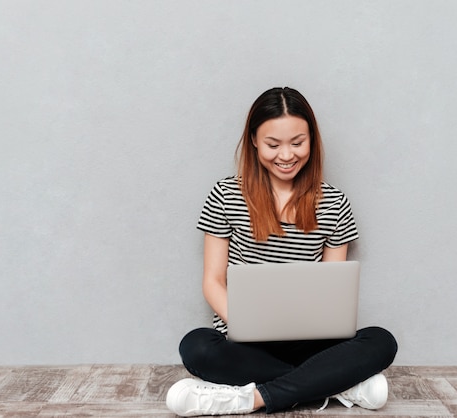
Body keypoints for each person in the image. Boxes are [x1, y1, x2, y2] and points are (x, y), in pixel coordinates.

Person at [166, 87, 397, 416]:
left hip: (312, 343)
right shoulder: (225, 195)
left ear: (312, 141)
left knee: (381, 340)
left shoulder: (334, 203)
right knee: (197, 347)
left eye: (297, 143)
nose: (286, 155)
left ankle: (253, 398)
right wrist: (247, 324)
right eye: (273, 145)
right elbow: (213, 282)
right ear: (254, 141)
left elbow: (333, 291)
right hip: (243, 342)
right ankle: (340, 385)